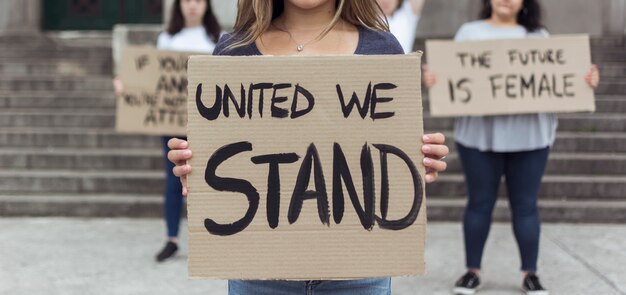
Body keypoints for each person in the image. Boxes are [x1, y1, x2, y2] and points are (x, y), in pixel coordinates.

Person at [167, 0, 449, 294]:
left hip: (358, 275)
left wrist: (420, 157)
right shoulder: (234, 50)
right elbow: (220, 152)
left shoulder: (383, 48)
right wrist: (192, 161)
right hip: (258, 274)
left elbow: (390, 153)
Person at [422, 0, 600, 294]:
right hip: (479, 136)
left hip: (529, 136)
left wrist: (587, 79)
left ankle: (530, 273)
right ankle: (472, 271)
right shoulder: (469, 33)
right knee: (479, 203)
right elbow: (450, 77)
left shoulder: (538, 37)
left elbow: (560, 78)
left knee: (526, 205)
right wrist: (434, 79)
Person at [113, 0, 221, 262]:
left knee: (211, 178)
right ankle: (172, 238)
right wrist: (127, 87)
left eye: (198, 1)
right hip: (171, 121)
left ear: (207, 6)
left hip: (207, 121)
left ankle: (212, 239)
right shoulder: (167, 38)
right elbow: (153, 80)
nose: (192, 6)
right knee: (174, 178)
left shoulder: (217, 40)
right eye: (187, 1)